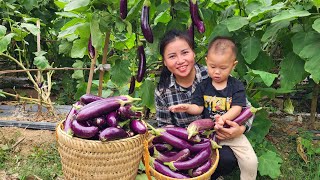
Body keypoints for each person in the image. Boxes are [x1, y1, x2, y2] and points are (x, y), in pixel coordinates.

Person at [154, 29, 255, 179]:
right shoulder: (162, 91)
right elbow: (164, 128)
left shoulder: (214, 72)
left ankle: (212, 174)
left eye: (185, 53)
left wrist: (240, 129)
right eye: (172, 56)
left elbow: (245, 108)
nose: (180, 60)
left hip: (218, 136)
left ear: (193, 53)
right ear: (164, 61)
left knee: (228, 159)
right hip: (186, 144)